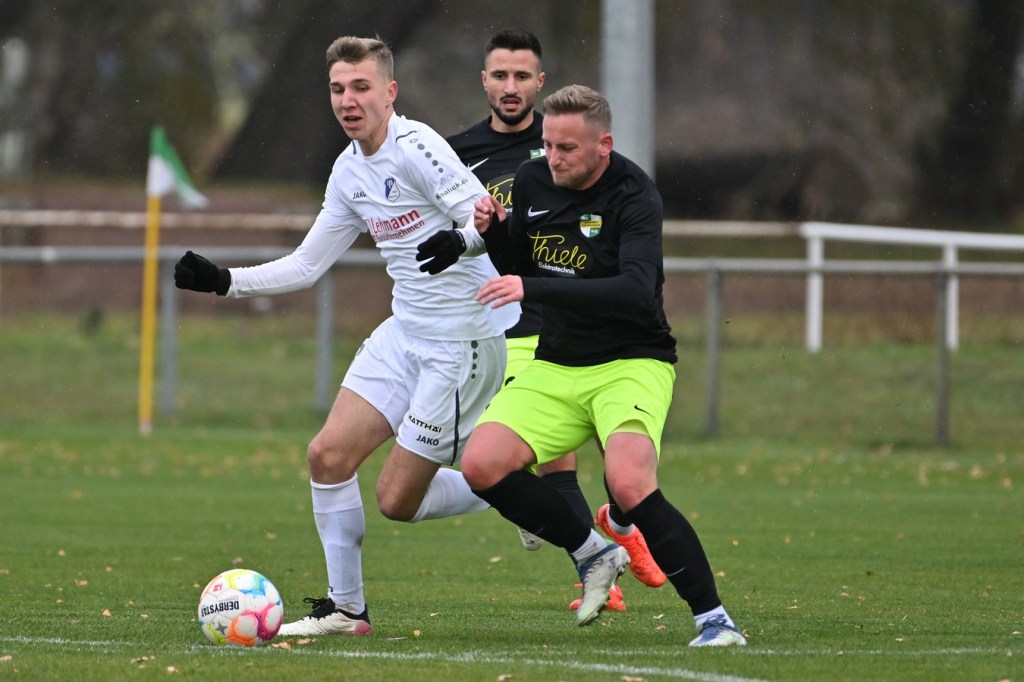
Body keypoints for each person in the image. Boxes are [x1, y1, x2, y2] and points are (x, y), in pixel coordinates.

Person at [173, 36, 518, 637]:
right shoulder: (348, 170)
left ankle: (513, 489)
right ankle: (346, 611)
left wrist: (461, 240)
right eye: (338, 89)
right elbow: (308, 265)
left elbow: (484, 215)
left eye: (361, 87)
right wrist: (225, 282)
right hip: (404, 333)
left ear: (390, 92)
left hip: (460, 342)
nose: (348, 100)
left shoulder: (417, 146)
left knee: (396, 501)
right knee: (327, 456)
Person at [439, 84, 747, 645]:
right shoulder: (533, 179)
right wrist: (495, 232)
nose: (553, 158)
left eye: (567, 148)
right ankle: (593, 550)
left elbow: (634, 289)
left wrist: (530, 285)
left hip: (632, 360)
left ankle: (715, 621)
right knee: (482, 465)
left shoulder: (635, 194)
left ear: (603, 145)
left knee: (627, 482)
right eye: (549, 145)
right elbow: (519, 262)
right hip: (558, 361)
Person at [443, 29, 666, 612]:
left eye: (522, 76)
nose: (510, 86)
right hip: (509, 319)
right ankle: (598, 569)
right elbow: (448, 231)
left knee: (619, 453)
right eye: (500, 75)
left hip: (577, 318)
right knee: (549, 459)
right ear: (484, 81)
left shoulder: (564, 145)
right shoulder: (455, 152)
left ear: (539, 83)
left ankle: (618, 527)